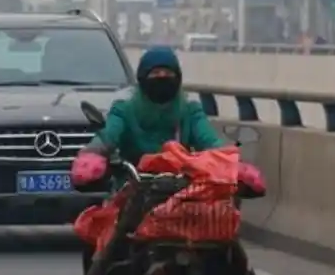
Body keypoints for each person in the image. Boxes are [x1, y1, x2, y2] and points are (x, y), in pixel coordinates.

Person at [72, 46, 235, 274]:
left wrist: (231, 165)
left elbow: (211, 142)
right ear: (142, 79)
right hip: (134, 193)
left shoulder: (189, 111)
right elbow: (108, 136)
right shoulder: (125, 111)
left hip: (184, 195)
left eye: (168, 74)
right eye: (155, 74)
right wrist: (94, 156)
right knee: (107, 249)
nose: (161, 79)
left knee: (228, 247)